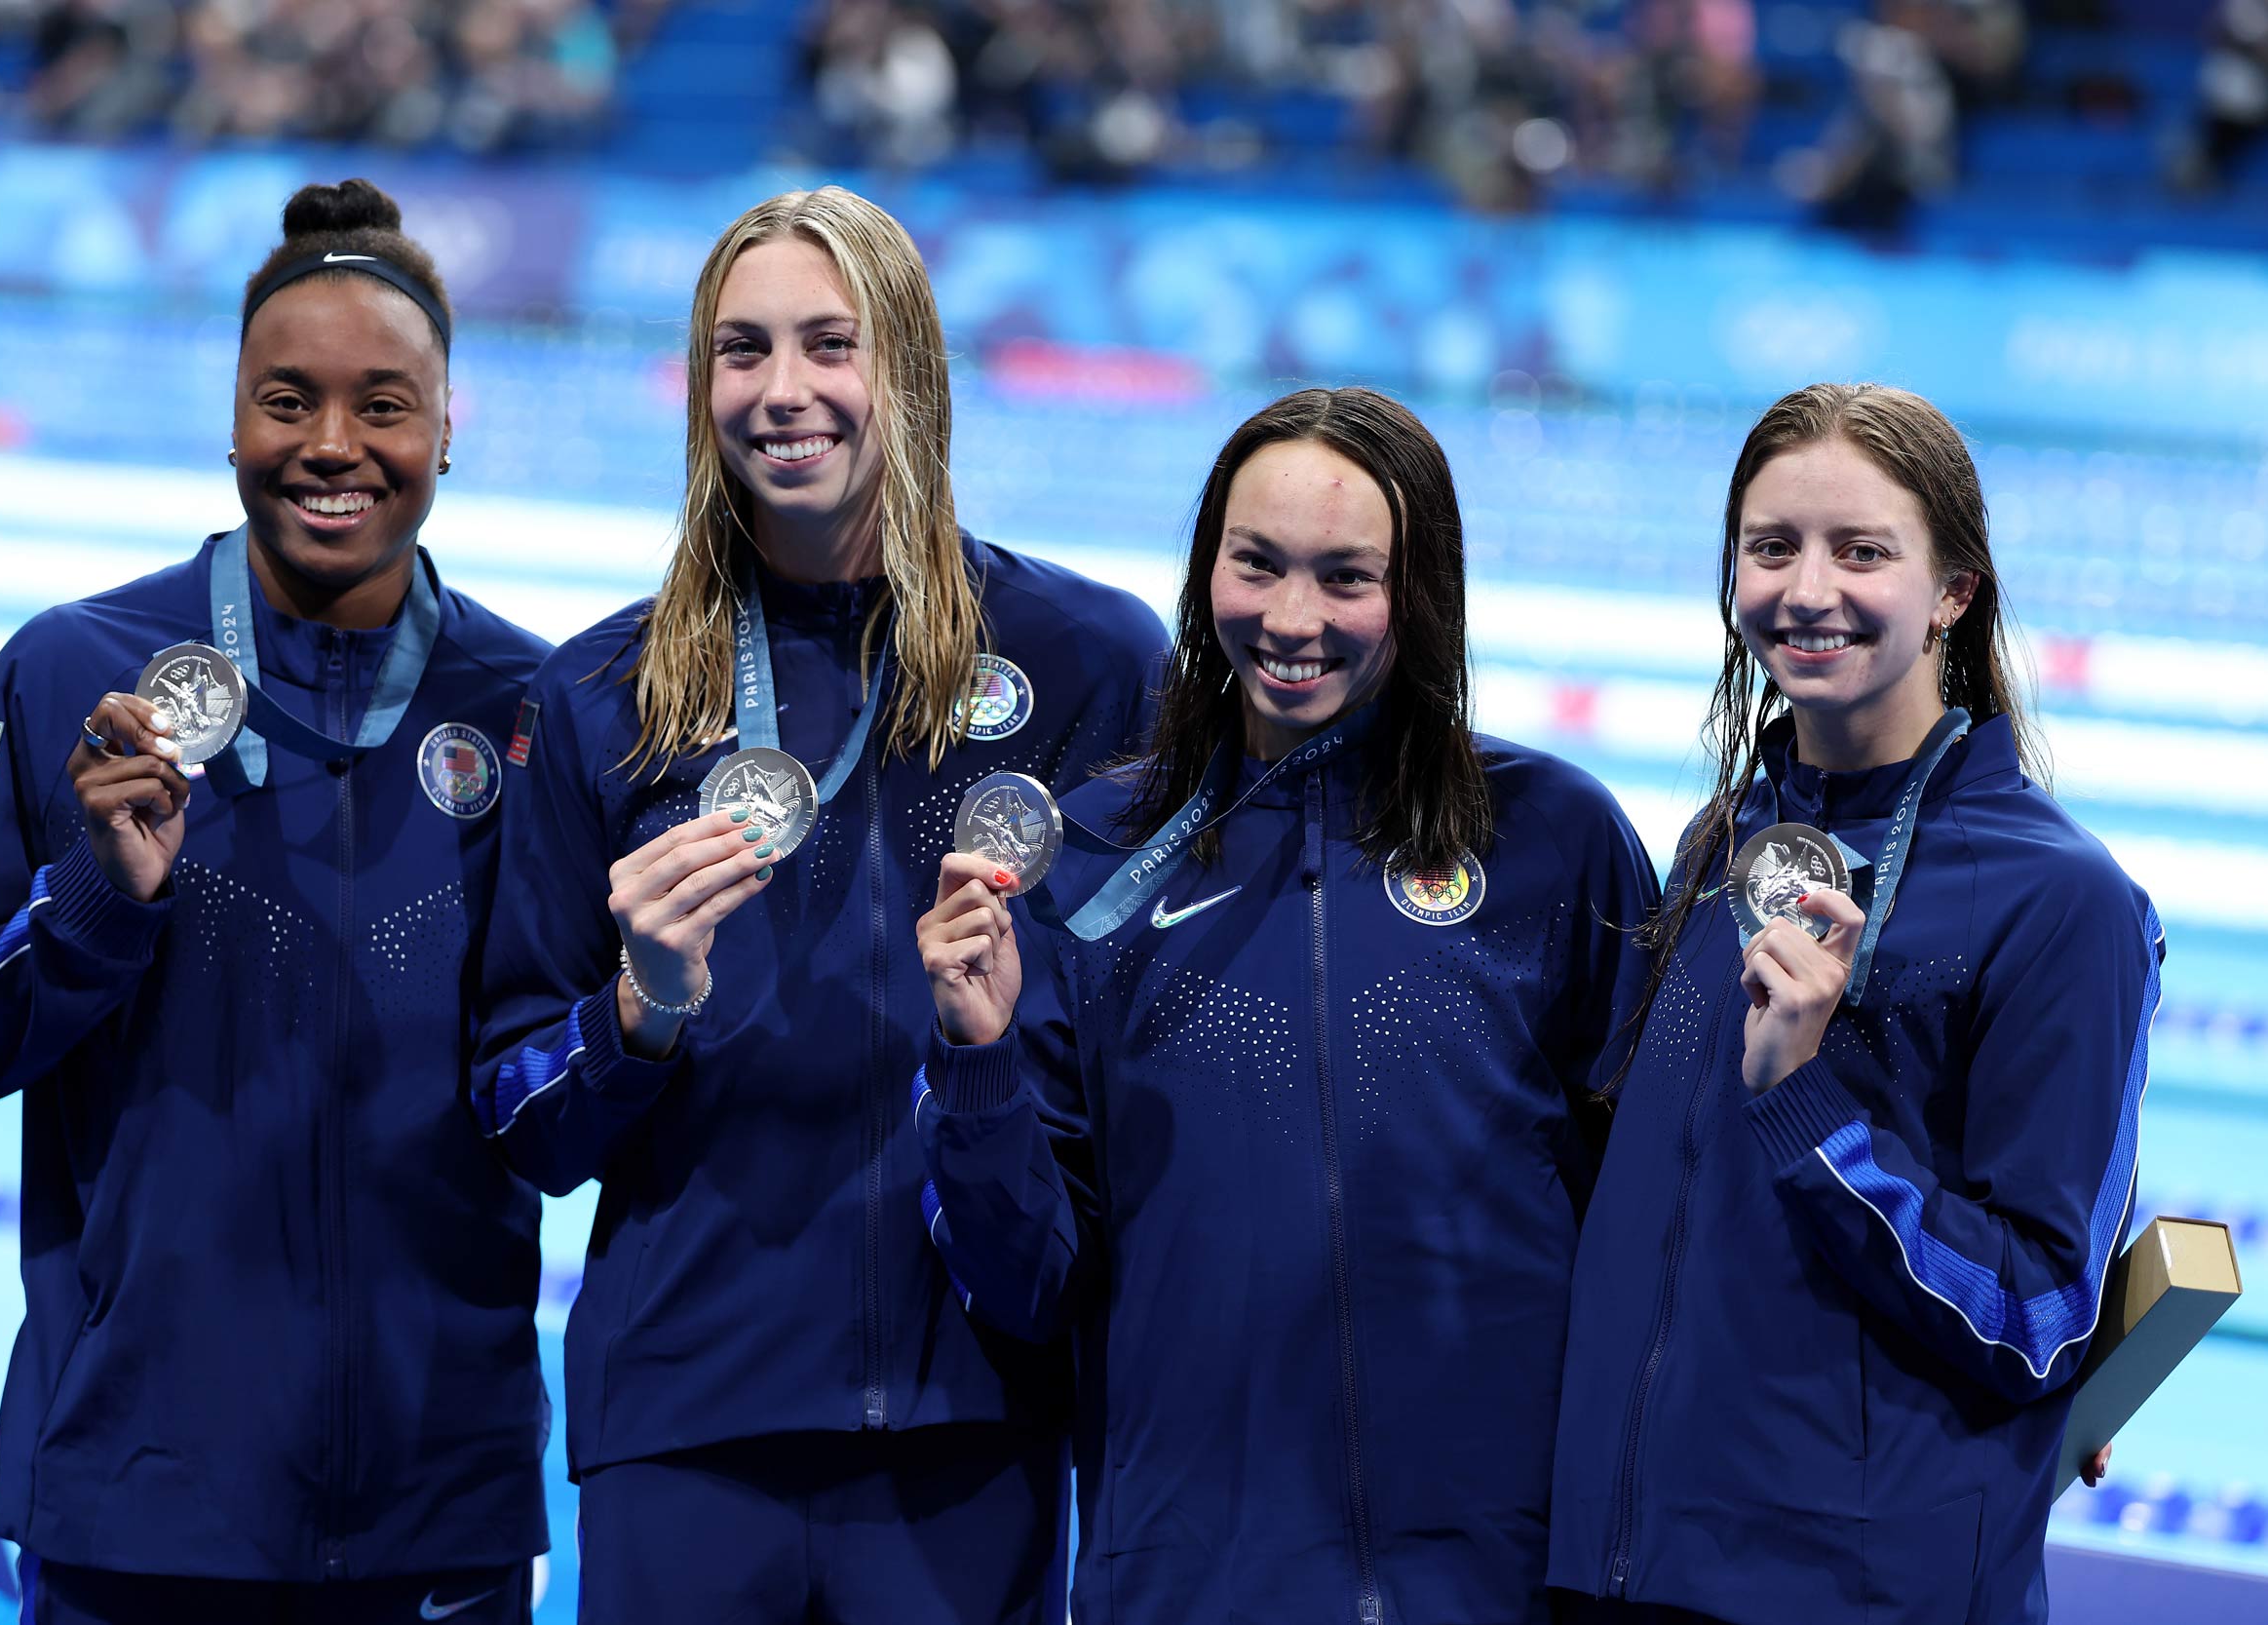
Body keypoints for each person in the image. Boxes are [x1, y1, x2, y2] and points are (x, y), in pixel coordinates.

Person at [0, 180, 552, 1622]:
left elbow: (557, 1092)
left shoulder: (536, 708)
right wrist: (95, 903)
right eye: (289, 401)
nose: (334, 446)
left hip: (438, 1501)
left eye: (385, 404)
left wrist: (658, 999)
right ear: (230, 418)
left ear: (449, 428)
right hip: (141, 1490)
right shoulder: (68, 673)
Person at [469, 184, 1170, 1623]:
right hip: (687, 1426)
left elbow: (1145, 1068)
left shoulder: (1087, 663)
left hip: (975, 1420)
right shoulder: (606, 699)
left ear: (907, 365)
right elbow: (518, 1117)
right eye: (741, 350)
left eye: (828, 343)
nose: (783, 391)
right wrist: (636, 1013)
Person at [911, 386, 1660, 1622]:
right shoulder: (1093, 858)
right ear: (1209, 561)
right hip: (1193, 1578)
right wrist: (978, 1061)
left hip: (1492, 1578)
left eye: (1346, 576)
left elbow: (1647, 1227)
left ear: (1416, 595)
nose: (1293, 618)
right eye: (1256, 562)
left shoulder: (1549, 841)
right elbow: (1026, 1284)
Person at [1546, 383, 2161, 1625]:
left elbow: (2037, 1314)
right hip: (1624, 1569)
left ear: (1953, 592)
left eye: (1861, 550)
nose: (1807, 588)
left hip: (1849, 1592)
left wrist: (1804, 1105)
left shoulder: (2060, 899)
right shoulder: (1724, 840)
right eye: (1771, 546)